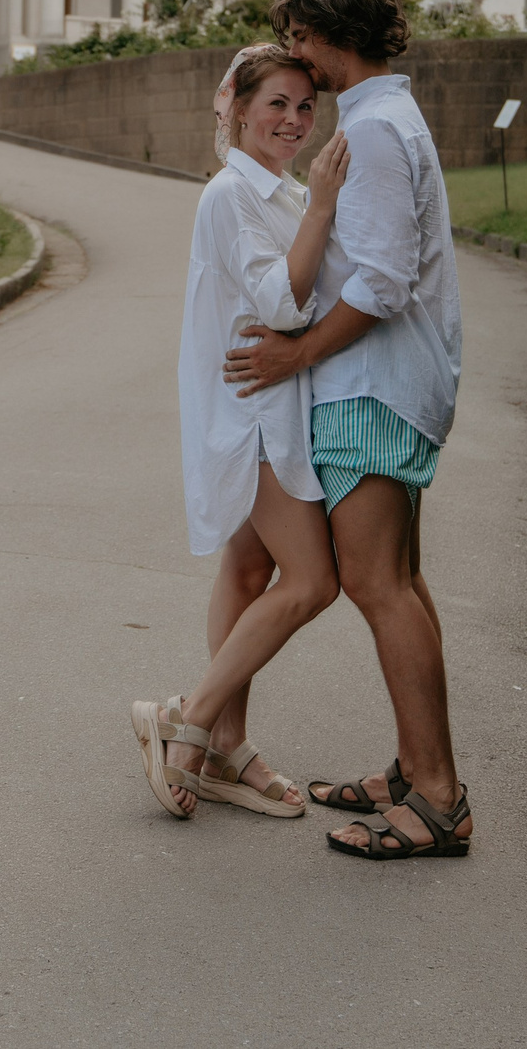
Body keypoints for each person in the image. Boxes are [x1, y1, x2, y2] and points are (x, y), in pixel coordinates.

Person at [224, 0, 470, 861]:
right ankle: (417, 770)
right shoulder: (384, 118)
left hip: (370, 387)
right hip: (392, 383)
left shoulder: (372, 131)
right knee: (399, 579)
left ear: (331, 33)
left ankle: (437, 797)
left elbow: (379, 281)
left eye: (298, 37)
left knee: (376, 584)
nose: (296, 56)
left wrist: (296, 351)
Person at [133, 44, 347, 819]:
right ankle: (188, 724)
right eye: (278, 105)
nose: (293, 121)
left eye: (304, 107)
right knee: (314, 580)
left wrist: (311, 203)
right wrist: (323, 206)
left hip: (277, 406)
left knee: (249, 565)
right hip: (255, 414)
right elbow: (282, 304)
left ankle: (227, 742)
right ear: (241, 109)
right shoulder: (233, 194)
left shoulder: (281, 191)